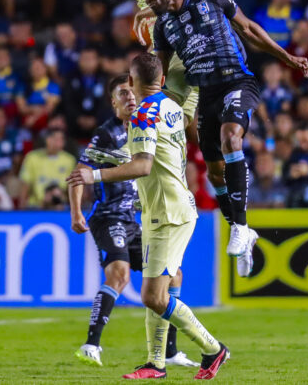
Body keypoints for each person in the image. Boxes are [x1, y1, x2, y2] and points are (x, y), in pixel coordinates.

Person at [135, 0, 308, 276]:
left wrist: (287, 58)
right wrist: (144, 105)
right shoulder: (163, 26)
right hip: (207, 96)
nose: (148, 0)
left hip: (237, 82)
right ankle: (242, 231)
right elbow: (158, 76)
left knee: (232, 137)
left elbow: (249, 28)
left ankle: (241, 226)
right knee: (215, 174)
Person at [68, 55, 229, 380]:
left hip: (168, 213)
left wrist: (94, 177)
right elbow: (174, 131)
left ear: (132, 79)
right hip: (163, 210)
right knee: (162, 289)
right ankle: (156, 363)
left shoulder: (143, 114)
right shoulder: (169, 105)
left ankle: (213, 348)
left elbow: (142, 166)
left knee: (152, 295)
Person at [19, 128, 75, 209]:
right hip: (36, 205)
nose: (60, 142)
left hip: (60, 205)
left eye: (62, 139)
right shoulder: (32, 157)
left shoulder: (69, 160)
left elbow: (72, 187)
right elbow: (25, 185)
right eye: (56, 139)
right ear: (47, 140)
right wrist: (21, 209)